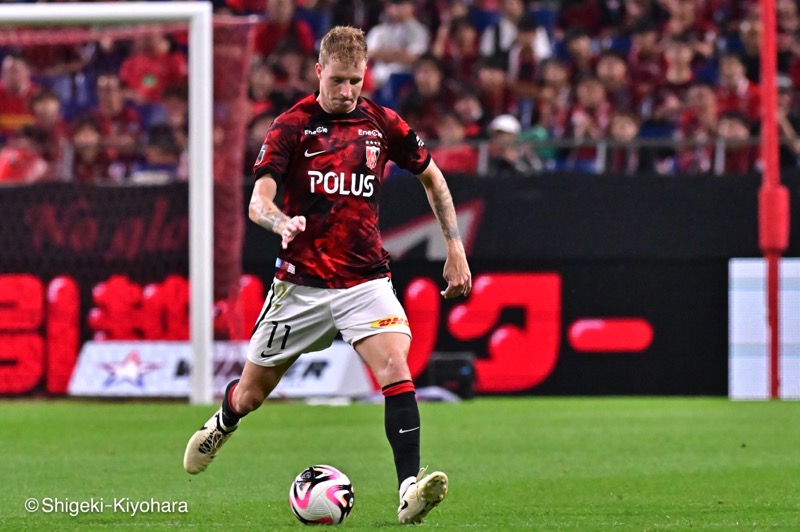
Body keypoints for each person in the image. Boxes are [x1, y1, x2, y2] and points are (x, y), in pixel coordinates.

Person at [183, 26, 472, 526]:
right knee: (251, 393)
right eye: (337, 80)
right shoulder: (292, 126)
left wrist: (455, 247)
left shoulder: (382, 123)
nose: (346, 92)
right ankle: (224, 420)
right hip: (301, 287)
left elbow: (432, 176)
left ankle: (408, 489)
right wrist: (280, 221)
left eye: (355, 81)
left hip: (364, 281)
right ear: (319, 71)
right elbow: (259, 200)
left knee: (394, 369)